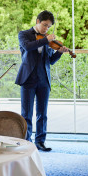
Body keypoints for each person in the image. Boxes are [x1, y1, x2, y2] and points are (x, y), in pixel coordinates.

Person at [15, 10, 69, 151]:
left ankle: (40, 141)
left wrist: (59, 52)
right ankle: (27, 141)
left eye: (49, 27)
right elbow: (27, 47)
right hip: (28, 78)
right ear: (38, 21)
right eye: (45, 25)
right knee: (26, 113)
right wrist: (46, 39)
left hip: (44, 79)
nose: (46, 29)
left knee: (42, 113)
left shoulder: (48, 40)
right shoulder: (24, 34)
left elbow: (50, 61)